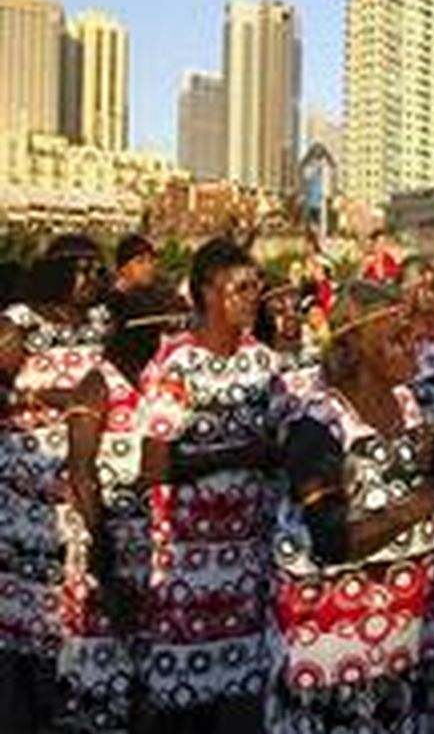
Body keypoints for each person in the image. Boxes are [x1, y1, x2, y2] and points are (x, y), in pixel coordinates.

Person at [271, 281, 434, 732]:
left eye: (413, 335)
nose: (414, 346)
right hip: (331, 643)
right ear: (353, 346)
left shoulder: (409, 407)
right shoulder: (319, 424)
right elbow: (332, 538)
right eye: (396, 338)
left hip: (402, 638)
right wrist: (415, 507)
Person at [136, 237, 286, 733]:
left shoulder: (265, 363)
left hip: (248, 559)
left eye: (255, 288)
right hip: (188, 561)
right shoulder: (175, 364)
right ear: (206, 292)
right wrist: (237, 455)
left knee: (239, 704)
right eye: (239, 288)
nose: (251, 297)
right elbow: (155, 466)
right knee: (184, 708)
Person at [57, 285, 187, 732]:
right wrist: (103, 551)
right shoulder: (97, 385)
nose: (169, 341)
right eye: (161, 332)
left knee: (146, 666)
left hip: (150, 541)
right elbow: (80, 473)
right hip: (105, 538)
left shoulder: (157, 383)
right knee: (100, 660)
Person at [0, 234, 111, 731]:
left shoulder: (103, 322)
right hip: (28, 487)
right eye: (79, 270)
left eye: (96, 270)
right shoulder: (20, 323)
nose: (89, 279)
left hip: (86, 476)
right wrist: (54, 397)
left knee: (78, 596)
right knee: (28, 604)